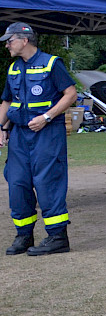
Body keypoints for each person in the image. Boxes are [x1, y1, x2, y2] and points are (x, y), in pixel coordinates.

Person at [0, 22, 77, 256]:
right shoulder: (14, 68)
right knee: (17, 184)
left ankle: (57, 237)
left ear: (24, 40)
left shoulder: (52, 64)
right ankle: (24, 236)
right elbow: (6, 101)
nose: (6, 45)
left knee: (48, 182)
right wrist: (0, 127)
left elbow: (71, 94)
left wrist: (47, 116)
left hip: (47, 133)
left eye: (9, 40)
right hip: (20, 135)